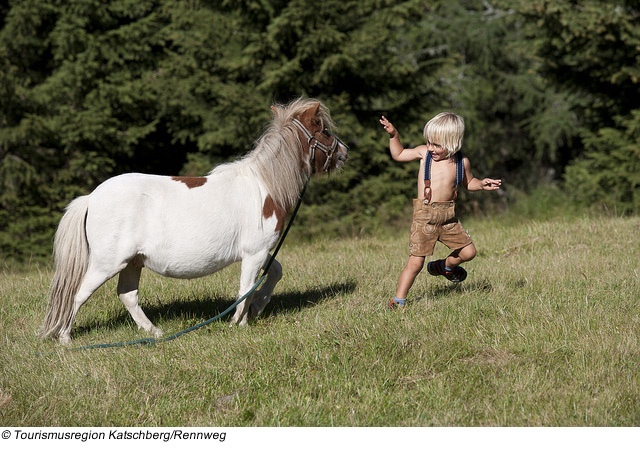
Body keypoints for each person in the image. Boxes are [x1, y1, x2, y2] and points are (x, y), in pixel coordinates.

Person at [380, 112, 501, 308]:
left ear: (453, 143)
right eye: (429, 142)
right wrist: (394, 135)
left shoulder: (462, 162)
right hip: (424, 218)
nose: (431, 148)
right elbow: (399, 154)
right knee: (416, 263)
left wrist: (482, 184)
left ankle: (444, 266)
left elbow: (468, 183)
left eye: (437, 145)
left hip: (448, 218)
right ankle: (398, 300)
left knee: (469, 252)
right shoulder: (424, 154)